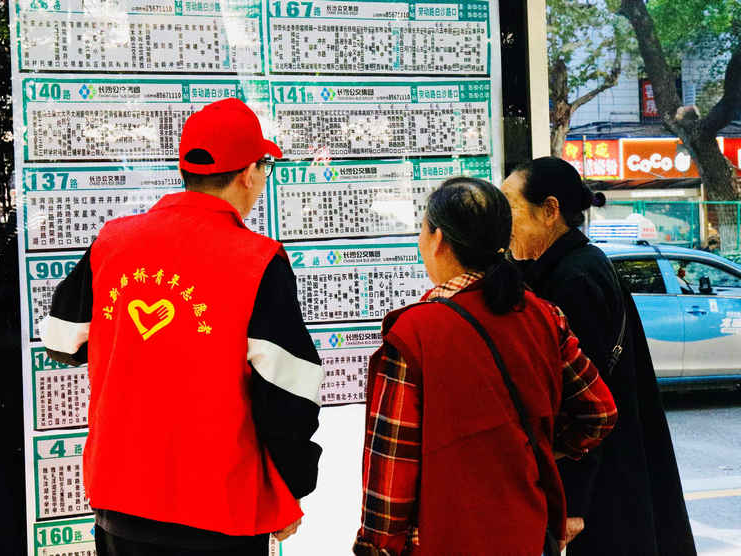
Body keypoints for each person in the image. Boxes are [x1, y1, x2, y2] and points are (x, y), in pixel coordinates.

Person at [41, 97, 325, 556]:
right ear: (249, 174)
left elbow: (60, 341)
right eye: (265, 168)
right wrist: (291, 485)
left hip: (121, 501)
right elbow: (288, 396)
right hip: (220, 509)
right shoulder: (259, 261)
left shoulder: (112, 242)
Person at [352, 177, 618, 556]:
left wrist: (376, 547)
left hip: (445, 538)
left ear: (438, 239)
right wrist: (539, 447)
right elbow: (599, 413)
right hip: (528, 533)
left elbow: (392, 465)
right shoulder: (544, 316)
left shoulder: (413, 334)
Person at [503, 156, 697, 556]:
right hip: (617, 468)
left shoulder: (574, 280)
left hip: (603, 485)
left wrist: (573, 502)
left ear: (550, 210)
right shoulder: (579, 264)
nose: (504, 223)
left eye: (511, 208)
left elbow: (584, 404)